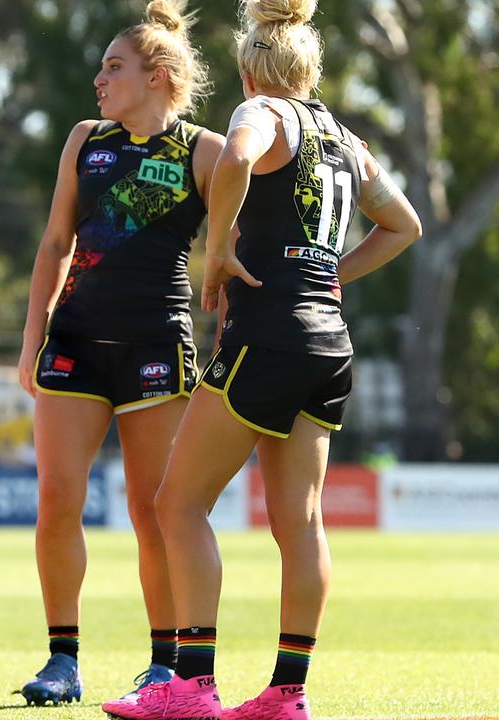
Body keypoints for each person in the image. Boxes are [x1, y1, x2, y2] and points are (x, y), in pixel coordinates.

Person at [101, 1, 422, 718]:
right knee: (299, 524)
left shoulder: (263, 112)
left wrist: (216, 251)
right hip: (329, 344)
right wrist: (331, 272)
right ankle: (287, 693)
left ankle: (192, 686)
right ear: (310, 68)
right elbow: (406, 225)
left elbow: (239, 156)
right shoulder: (345, 139)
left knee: (178, 504)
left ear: (251, 70)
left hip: (270, 334)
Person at [14, 0, 224, 705]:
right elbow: (53, 245)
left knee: (154, 510)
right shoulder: (85, 139)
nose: (99, 78)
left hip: (157, 349)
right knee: (56, 503)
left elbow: (244, 229)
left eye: (114, 66)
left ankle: (164, 665)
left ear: (158, 76)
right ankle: (62, 662)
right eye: (102, 66)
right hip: (72, 342)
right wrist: (30, 338)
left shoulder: (206, 150)